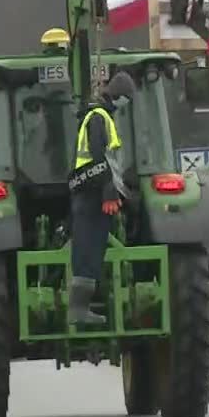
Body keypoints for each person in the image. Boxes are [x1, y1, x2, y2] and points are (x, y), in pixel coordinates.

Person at [67, 71, 133, 327]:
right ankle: (78, 309)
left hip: (90, 191)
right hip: (92, 193)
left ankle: (81, 308)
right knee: (88, 246)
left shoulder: (99, 116)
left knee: (92, 246)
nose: (126, 103)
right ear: (119, 95)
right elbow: (98, 157)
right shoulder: (98, 118)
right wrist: (107, 192)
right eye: (127, 97)